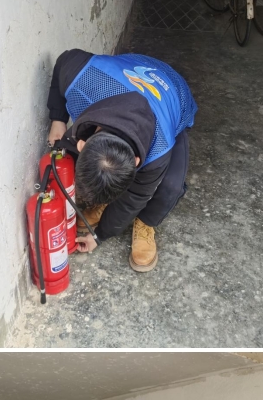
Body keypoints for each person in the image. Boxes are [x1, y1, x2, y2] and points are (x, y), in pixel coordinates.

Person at [47, 50, 197, 272]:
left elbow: (134, 198)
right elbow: (62, 60)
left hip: (173, 93)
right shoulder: (80, 77)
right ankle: (105, 200)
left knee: (170, 187)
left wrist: (100, 235)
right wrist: (57, 119)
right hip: (128, 68)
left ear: (137, 161)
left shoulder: (159, 148)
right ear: (82, 145)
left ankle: (146, 223)